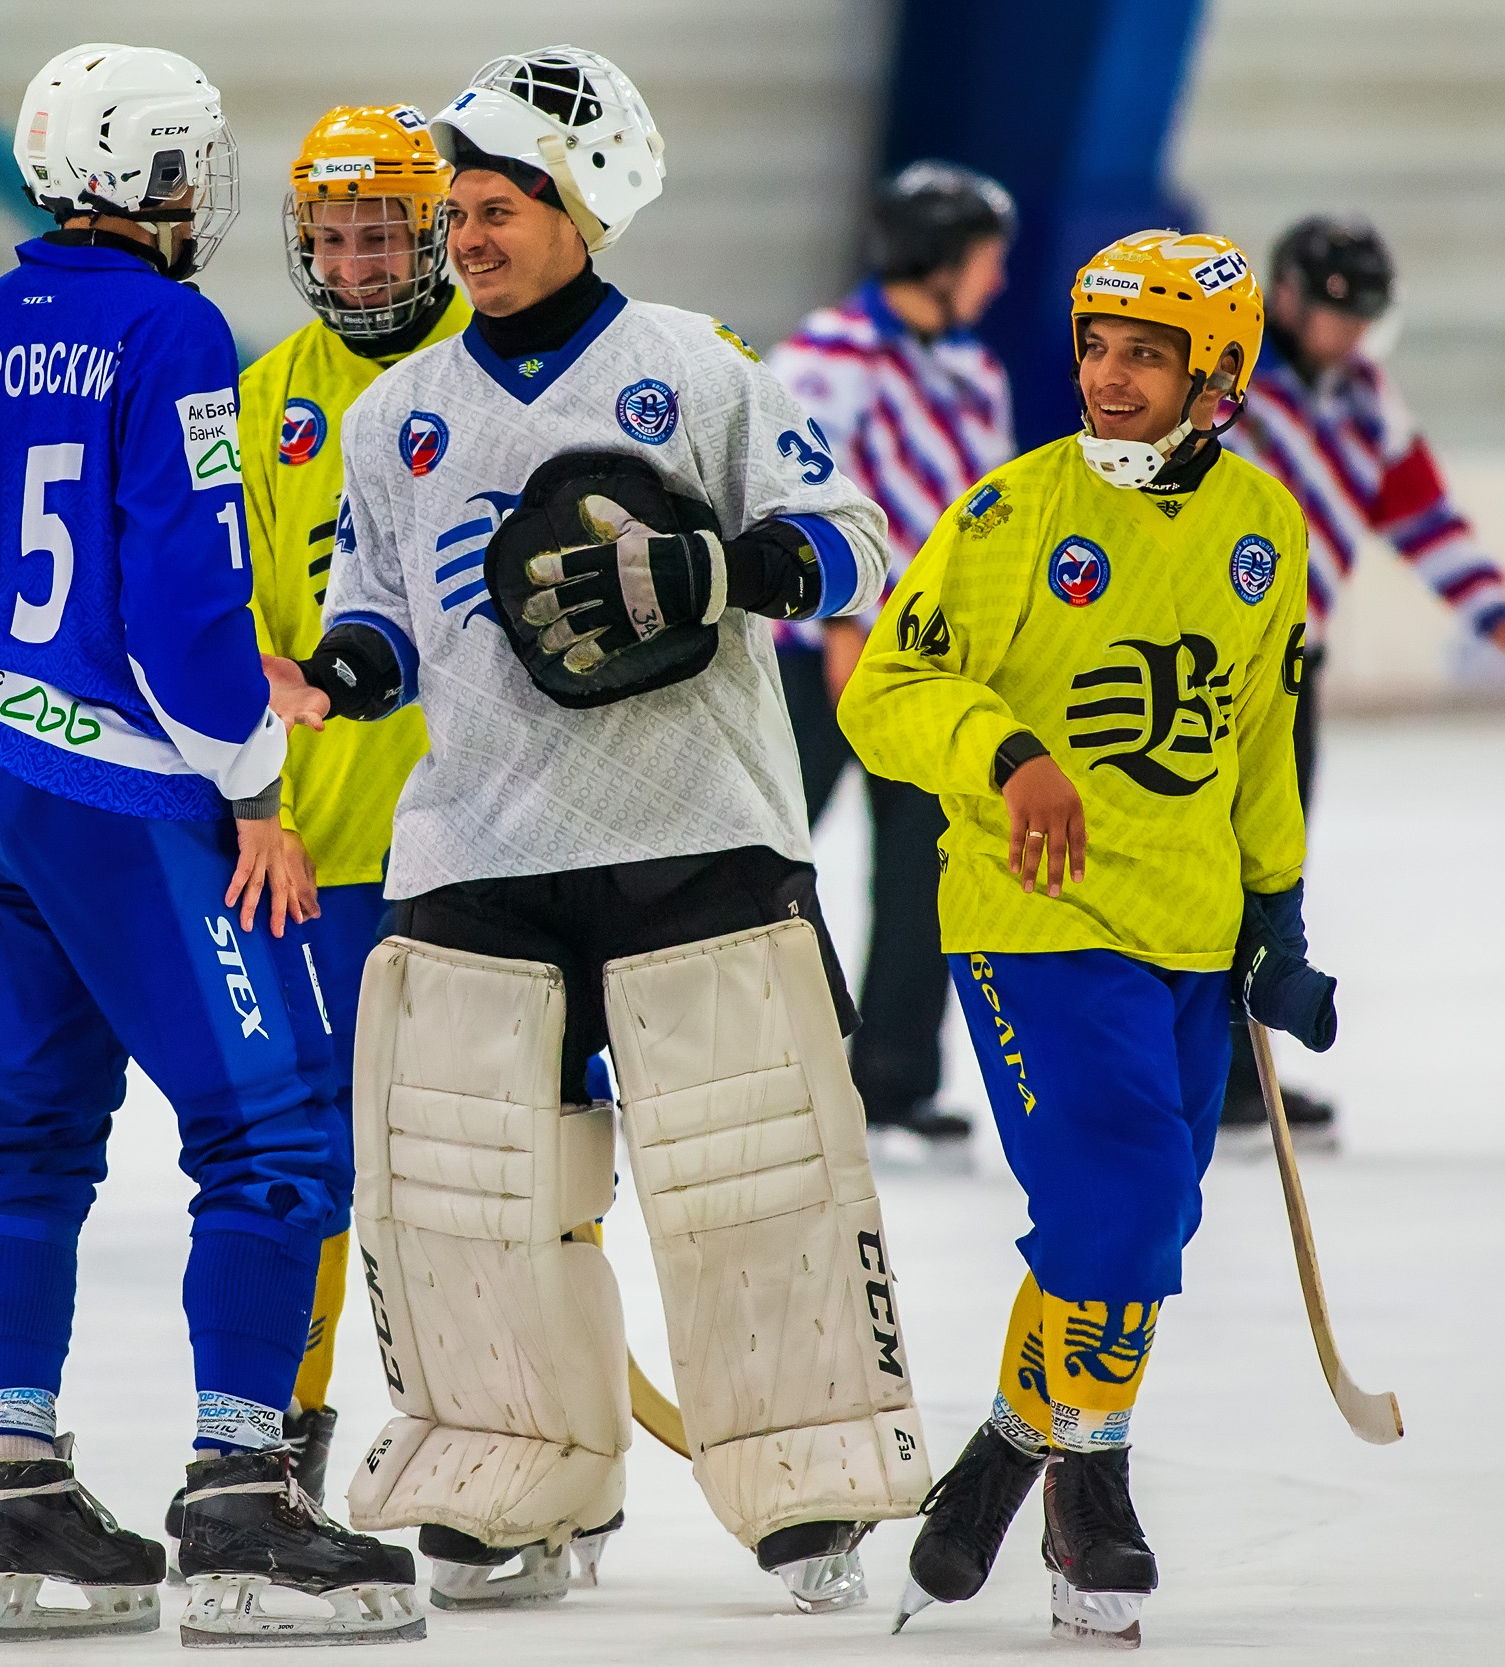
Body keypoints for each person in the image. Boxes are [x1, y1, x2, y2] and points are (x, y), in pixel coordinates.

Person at [266, 45, 930, 1617]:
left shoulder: (697, 367)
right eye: (460, 210)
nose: (469, 234)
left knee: (751, 1170)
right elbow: (378, 605)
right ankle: (513, 1476)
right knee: (463, 1186)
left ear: (585, 209)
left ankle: (809, 1472)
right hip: (477, 846)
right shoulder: (394, 416)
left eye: (499, 206)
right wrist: (348, 672)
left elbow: (858, 548)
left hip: (696, 832)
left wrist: (729, 568)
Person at [0, 42, 416, 1645]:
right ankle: (243, 1505)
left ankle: (23, 1491)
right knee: (274, 1136)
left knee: (21, 1137)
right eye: (192, 169)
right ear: (155, 182)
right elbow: (191, 601)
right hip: (127, 802)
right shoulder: (172, 326)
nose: (205, 200)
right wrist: (256, 784)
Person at [839, 230, 1340, 1647]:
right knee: (1118, 1202)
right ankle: (1096, 1479)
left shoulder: (1266, 530)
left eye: (1146, 354)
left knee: (1135, 1230)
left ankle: (1011, 1441)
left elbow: (1256, 739)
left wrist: (1280, 909)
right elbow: (888, 690)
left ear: (1218, 373)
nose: (1109, 378)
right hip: (1031, 916)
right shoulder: (1010, 517)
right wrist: (1007, 757)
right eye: (1096, 346)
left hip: (1190, 927)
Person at [160, 100, 472, 1554]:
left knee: (513, 1148)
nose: (355, 261)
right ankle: (283, 1445)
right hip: (322, 850)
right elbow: (238, 621)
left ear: (435, 235)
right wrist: (260, 806)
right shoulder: (259, 391)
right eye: (334, 235)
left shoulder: (492, 376)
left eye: (384, 233)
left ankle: (508, 1456)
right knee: (320, 1161)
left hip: (488, 843)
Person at [1219, 214, 1505, 1141]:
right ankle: (1205, 1070)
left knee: (1269, 867)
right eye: (1342, 315)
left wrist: (1501, 619)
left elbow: (1426, 518)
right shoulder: (1229, 386)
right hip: (1205, 667)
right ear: (1288, 298)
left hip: (1295, 667)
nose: (1351, 335)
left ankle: (1244, 1069)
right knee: (1198, 865)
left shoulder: (1366, 400)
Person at [767, 161, 1018, 1149]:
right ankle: (776, 1060)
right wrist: (843, 626)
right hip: (821, 657)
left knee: (927, 870)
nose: (998, 280)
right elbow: (797, 493)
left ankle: (894, 1080)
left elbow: (985, 514)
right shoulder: (828, 354)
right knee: (766, 857)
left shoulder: (969, 366)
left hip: (933, 664)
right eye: (987, 260)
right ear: (942, 259)